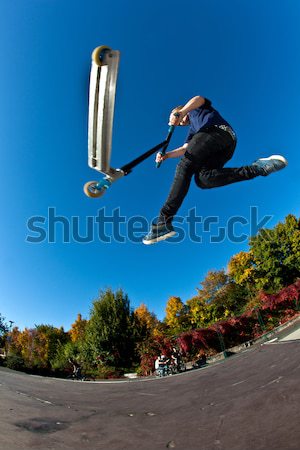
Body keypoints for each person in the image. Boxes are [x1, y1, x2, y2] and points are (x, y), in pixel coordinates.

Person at [142, 96, 288, 244]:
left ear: (179, 111)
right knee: (203, 179)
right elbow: (186, 148)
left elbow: (198, 98)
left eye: (178, 118)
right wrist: (166, 155)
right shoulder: (193, 129)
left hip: (216, 132)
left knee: (184, 166)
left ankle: (163, 221)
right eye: (178, 124)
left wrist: (182, 111)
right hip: (225, 147)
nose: (180, 123)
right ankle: (258, 168)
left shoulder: (195, 109)